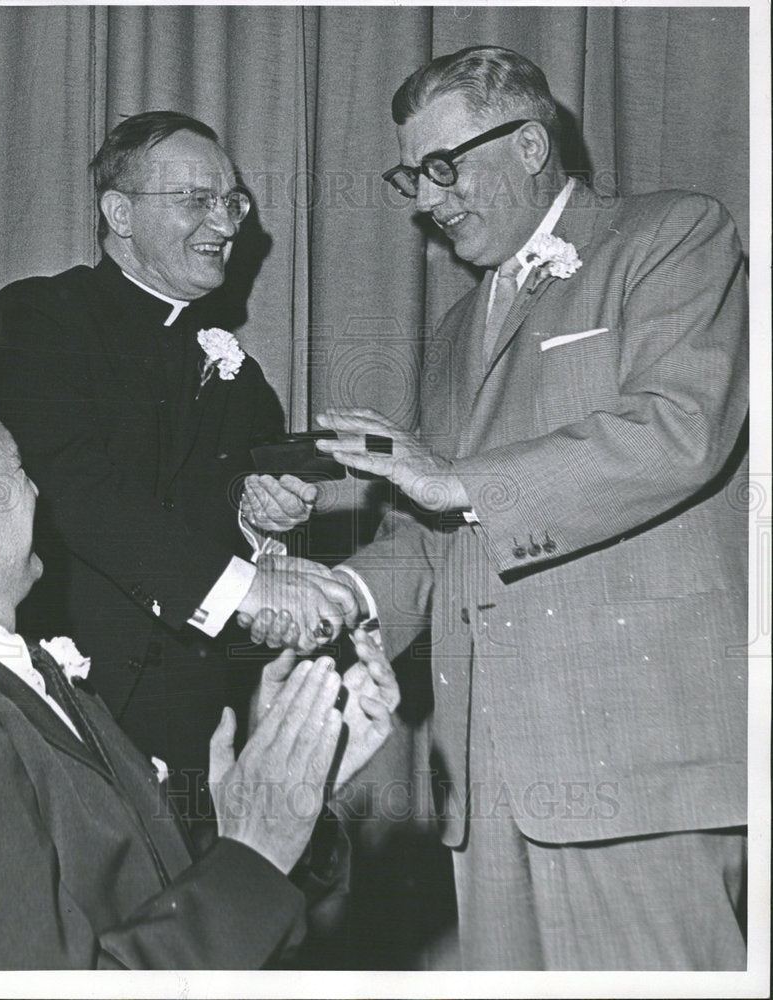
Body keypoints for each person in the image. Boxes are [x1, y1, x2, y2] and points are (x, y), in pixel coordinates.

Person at [307, 46, 748, 970]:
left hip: (634, 766)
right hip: (485, 782)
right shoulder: (455, 331)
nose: (428, 200)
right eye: (412, 176)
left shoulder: (671, 234)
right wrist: (333, 595)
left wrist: (459, 482)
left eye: (444, 166)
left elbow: (679, 430)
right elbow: (431, 534)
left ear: (531, 146)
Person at [0, 111, 357, 817]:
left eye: (232, 201)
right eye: (195, 199)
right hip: (67, 709)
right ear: (119, 214)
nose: (225, 223)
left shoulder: (241, 374)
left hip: (202, 724)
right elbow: (75, 488)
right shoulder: (36, 316)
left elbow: (217, 510)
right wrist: (245, 588)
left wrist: (258, 521)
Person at [0, 401, 399, 969]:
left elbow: (155, 902)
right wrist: (254, 852)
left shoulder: (43, 677)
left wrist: (286, 794)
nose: (36, 493)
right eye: (20, 469)